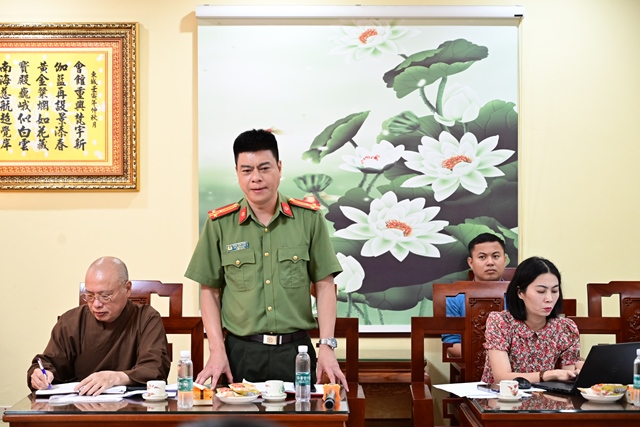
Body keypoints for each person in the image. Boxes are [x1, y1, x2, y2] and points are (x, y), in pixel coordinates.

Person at [185, 129, 347, 390]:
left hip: (296, 352)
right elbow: (209, 291)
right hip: (240, 352)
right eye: (247, 170)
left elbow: (325, 285)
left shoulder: (308, 219)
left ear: (279, 168)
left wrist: (327, 346)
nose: (256, 178)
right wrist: (216, 350)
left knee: (303, 413)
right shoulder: (220, 224)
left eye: (264, 168)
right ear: (237, 173)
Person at [28, 256, 171, 395]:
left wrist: (116, 378)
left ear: (127, 289)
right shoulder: (71, 321)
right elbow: (49, 363)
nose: (96, 304)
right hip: (79, 406)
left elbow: (155, 368)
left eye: (105, 296)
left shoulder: (146, 318)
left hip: (134, 407)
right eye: (90, 296)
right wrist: (40, 376)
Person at [481, 256, 580, 384]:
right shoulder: (500, 322)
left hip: (544, 395)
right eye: (541, 291)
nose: (549, 298)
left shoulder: (566, 328)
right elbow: (502, 377)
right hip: (501, 394)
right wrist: (548, 375)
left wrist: (577, 372)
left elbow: (568, 377)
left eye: (555, 290)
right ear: (520, 293)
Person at [442, 232, 508, 357]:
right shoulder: (455, 298)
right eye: (482, 257)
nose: (490, 262)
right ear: (471, 262)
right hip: (470, 363)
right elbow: (451, 344)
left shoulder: (520, 296)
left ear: (504, 260)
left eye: (496, 256)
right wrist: (490, 359)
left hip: (513, 365)